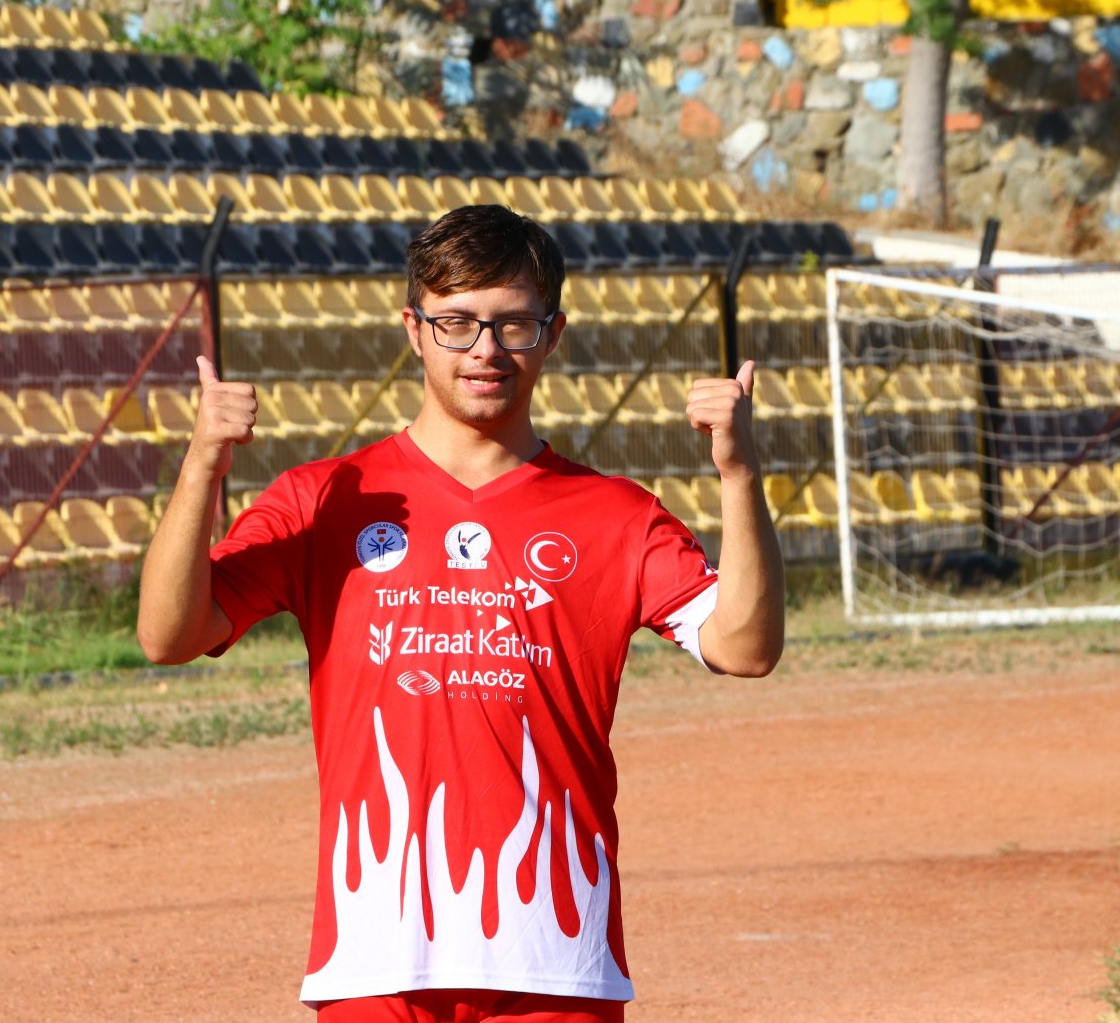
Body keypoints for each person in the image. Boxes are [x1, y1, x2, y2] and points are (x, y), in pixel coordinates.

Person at [137, 205, 784, 1022]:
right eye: (457, 323)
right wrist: (200, 466)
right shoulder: (325, 497)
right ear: (414, 329)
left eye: (514, 324)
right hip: (375, 956)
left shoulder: (615, 514)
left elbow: (746, 646)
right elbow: (168, 635)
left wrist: (739, 476)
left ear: (552, 335)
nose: (485, 349)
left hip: (553, 957)